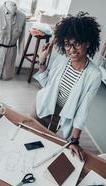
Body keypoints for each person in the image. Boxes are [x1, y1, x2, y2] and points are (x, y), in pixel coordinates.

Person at [33, 12, 102, 161]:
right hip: (42, 105)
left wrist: (75, 140)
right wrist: (42, 61)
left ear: (87, 43)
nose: (71, 50)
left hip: (60, 116)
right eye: (67, 44)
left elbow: (83, 110)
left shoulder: (94, 75)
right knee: (28, 138)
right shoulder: (61, 60)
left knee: (42, 150)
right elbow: (47, 85)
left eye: (76, 44)